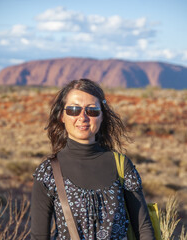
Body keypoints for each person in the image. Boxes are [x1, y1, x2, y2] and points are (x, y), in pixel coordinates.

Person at [31, 78, 155, 240]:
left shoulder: (121, 165)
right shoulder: (48, 171)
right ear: (62, 115)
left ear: (102, 116)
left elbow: (143, 228)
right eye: (74, 110)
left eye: (92, 111)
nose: (83, 117)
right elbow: (39, 236)